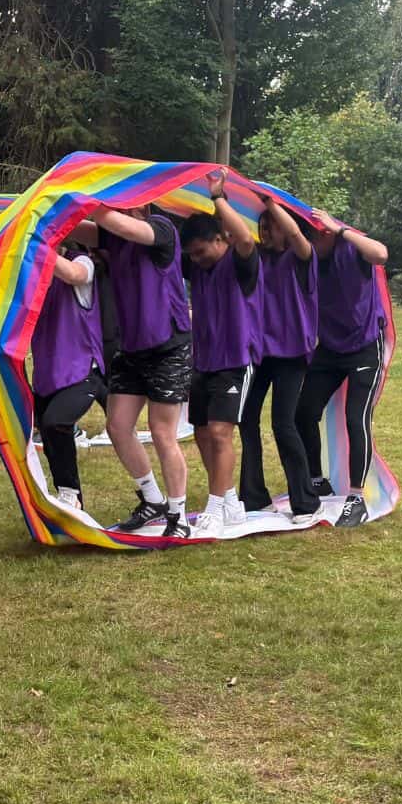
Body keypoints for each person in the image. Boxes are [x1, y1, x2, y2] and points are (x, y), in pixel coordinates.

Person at [69, 204, 191, 537]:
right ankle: (153, 499)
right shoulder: (112, 234)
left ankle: (178, 515)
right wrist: (50, 209)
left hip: (168, 346)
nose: (116, 207)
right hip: (133, 348)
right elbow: (72, 226)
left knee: (162, 432)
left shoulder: (160, 228)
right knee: (118, 426)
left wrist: (90, 200)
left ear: (142, 204)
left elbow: (125, 227)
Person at [294, 207, 391, 528]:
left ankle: (356, 498)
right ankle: (317, 480)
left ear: (325, 234)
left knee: (356, 417)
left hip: (365, 344)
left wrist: (340, 230)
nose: (307, 246)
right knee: (303, 412)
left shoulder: (350, 248)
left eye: (312, 239)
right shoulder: (307, 259)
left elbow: (381, 254)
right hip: (330, 348)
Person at [180, 174, 262, 538]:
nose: (196, 260)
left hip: (236, 361)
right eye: (192, 255)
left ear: (220, 240)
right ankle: (230, 500)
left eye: (201, 251)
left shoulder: (240, 263)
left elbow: (244, 238)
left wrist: (218, 199)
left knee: (220, 432)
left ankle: (214, 509)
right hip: (204, 363)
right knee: (201, 433)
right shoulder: (199, 268)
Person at [238, 194, 320, 521]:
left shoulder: (301, 258)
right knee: (246, 419)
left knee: (283, 424)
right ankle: (254, 497)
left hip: (292, 354)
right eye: (262, 225)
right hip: (261, 353)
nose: (265, 231)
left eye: (271, 226)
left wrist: (272, 205)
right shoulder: (258, 259)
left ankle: (306, 502)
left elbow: (298, 236)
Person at [29, 245, 105, 512]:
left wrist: (36, 243)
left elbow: (74, 274)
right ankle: (70, 496)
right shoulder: (32, 272)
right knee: (49, 434)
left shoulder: (81, 261)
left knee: (56, 422)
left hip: (83, 368)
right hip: (47, 372)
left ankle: (155, 496)